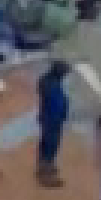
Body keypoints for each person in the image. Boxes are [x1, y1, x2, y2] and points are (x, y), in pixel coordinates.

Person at [35, 59, 72, 187]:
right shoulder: (55, 88)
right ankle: (45, 176)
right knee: (51, 147)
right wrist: (60, 119)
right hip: (53, 122)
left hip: (45, 117)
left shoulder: (44, 80)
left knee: (44, 143)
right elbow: (58, 106)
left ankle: (42, 166)